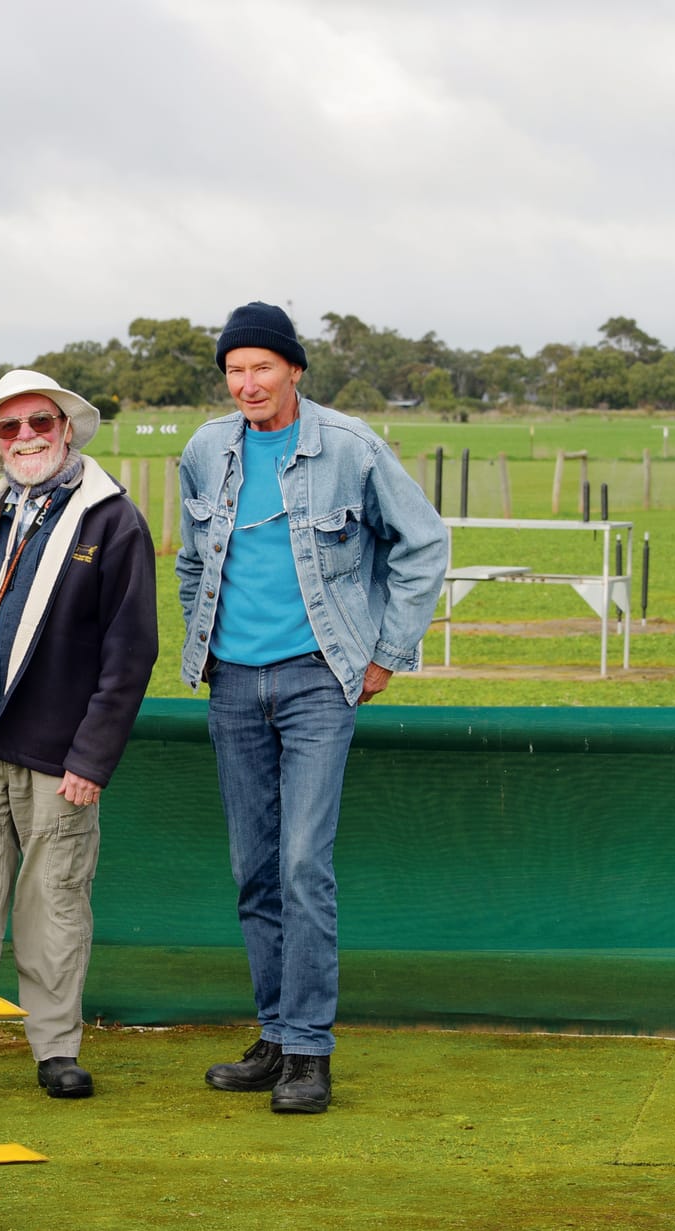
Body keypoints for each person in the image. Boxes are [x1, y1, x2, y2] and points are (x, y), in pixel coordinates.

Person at [177, 303, 447, 1113]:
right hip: (232, 683)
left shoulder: (351, 447)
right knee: (252, 868)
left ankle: (309, 1052)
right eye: (235, 370)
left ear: (294, 369)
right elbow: (193, 561)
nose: (248, 383)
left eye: (262, 366)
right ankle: (273, 1032)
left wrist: (385, 655)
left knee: (302, 863)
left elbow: (424, 543)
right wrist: (204, 640)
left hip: (317, 680)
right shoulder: (204, 450)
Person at [0, 369, 158, 1105]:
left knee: (55, 901)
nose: (26, 438)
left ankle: (56, 1051)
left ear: (66, 428)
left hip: (60, 757)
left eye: (39, 422)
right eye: (9, 429)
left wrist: (92, 756)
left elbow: (129, 653)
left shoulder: (112, 519)